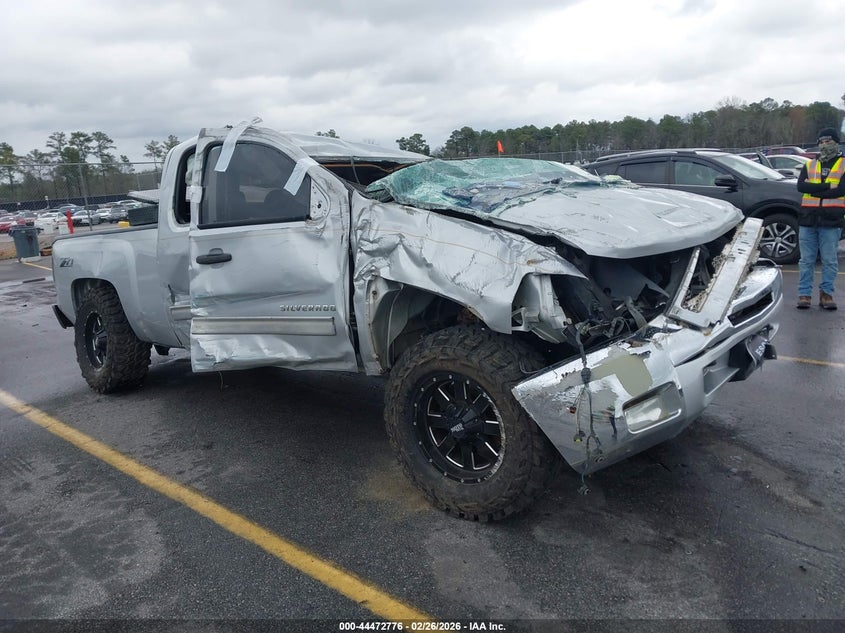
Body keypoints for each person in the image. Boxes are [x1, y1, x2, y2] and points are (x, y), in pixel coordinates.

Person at [795, 127, 844, 310]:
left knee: (829, 260)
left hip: (831, 220)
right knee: (806, 260)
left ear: (836, 143)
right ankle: (804, 295)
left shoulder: (843, 165)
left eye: (828, 141)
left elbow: (841, 190)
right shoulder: (809, 165)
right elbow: (801, 187)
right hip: (808, 219)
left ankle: (826, 295)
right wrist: (828, 186)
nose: (824, 145)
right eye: (821, 142)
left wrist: (814, 189)